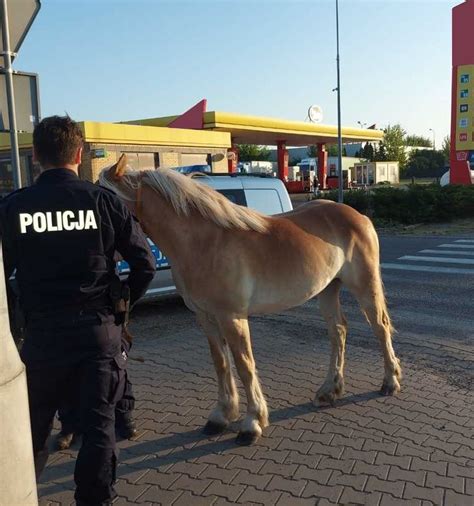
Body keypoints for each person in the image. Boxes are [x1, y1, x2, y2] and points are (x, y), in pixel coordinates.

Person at [0, 115, 156, 506]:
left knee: (31, 432)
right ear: (80, 153)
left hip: (41, 341)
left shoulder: (14, 207)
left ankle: (23, 496)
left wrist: (16, 313)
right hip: (97, 337)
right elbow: (145, 264)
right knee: (100, 429)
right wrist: (121, 307)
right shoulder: (104, 203)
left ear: (36, 156)